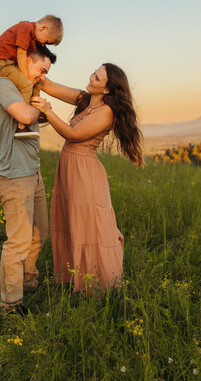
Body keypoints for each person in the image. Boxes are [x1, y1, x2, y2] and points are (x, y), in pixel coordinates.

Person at [31, 63, 143, 294]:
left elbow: (73, 134)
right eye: (94, 72)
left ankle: (99, 285)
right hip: (70, 168)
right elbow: (48, 85)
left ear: (108, 90)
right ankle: (74, 278)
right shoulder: (84, 100)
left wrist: (48, 111)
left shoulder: (106, 112)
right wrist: (32, 72)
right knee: (71, 221)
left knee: (90, 226)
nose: (91, 77)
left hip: (86, 173)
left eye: (97, 78)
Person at [0, 45, 56, 314]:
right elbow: (27, 116)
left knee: (40, 232)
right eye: (41, 70)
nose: (41, 77)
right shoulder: (3, 85)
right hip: (14, 176)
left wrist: (44, 111)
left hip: (32, 173)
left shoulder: (26, 91)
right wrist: (45, 111)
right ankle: (10, 304)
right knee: (17, 241)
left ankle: (27, 280)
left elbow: (34, 119)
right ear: (26, 59)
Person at [0, 15, 63, 138]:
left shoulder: (32, 37)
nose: (43, 45)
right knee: (27, 84)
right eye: (46, 41)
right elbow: (21, 54)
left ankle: (35, 107)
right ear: (43, 28)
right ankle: (21, 127)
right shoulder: (26, 28)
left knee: (35, 85)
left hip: (9, 63)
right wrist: (25, 77)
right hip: (0, 63)